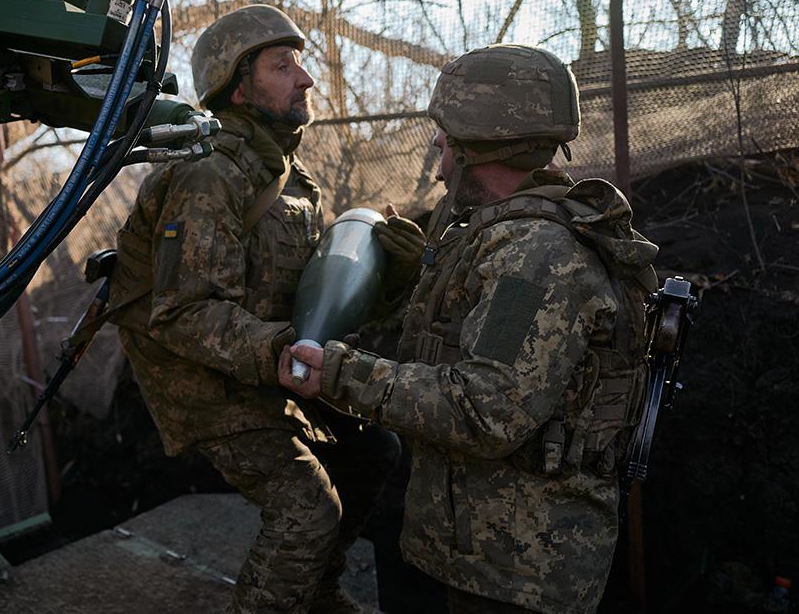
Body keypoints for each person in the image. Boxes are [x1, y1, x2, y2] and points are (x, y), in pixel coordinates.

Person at [279, 44, 659, 614]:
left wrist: (340, 374)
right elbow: (452, 351)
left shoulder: (537, 256)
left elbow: (487, 408)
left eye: (447, 130)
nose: (437, 142)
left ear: (483, 144)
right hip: (480, 549)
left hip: (514, 570)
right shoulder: (498, 236)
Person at [109, 4, 415, 613]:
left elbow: (314, 300)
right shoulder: (208, 176)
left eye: (299, 65)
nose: (305, 79)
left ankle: (316, 593)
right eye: (284, 66)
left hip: (263, 365)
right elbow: (185, 314)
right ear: (238, 86)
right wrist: (277, 349)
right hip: (205, 381)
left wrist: (391, 279)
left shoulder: (290, 178)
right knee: (306, 508)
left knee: (374, 451)